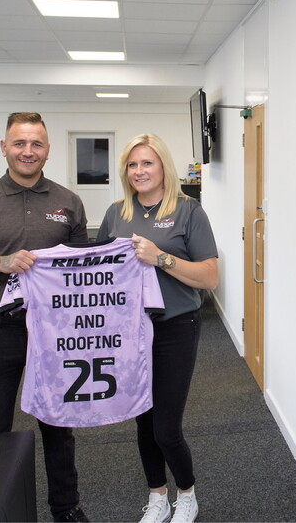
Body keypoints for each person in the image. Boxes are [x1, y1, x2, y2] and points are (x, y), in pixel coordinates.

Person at [0, 112, 89, 522]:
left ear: (48, 150)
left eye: (36, 144)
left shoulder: (68, 203)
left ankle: (66, 508)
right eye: (20, 143)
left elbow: (81, 272)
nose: (28, 151)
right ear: (4, 147)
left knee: (58, 427)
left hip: (54, 332)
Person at [96, 133, 219, 523]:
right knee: (143, 420)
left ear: (163, 166)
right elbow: (100, 272)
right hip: (130, 330)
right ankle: (157, 496)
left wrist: (160, 257)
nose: (139, 171)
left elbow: (209, 277)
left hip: (175, 328)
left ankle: (187, 494)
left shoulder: (189, 211)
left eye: (147, 163)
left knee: (166, 427)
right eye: (132, 165)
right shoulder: (116, 213)